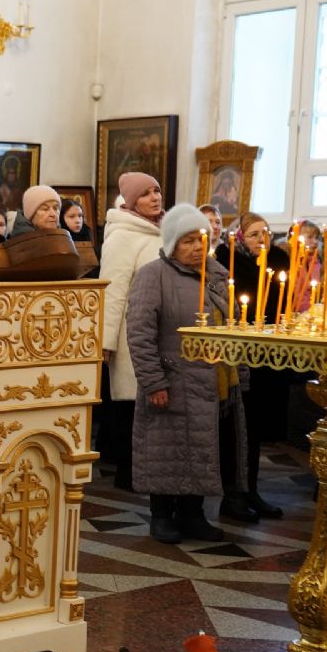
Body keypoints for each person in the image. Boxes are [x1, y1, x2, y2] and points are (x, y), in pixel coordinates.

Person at [126, 204, 235, 544]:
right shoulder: (153, 275)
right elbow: (140, 334)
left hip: (209, 380)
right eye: (188, 241)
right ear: (172, 243)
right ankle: (161, 515)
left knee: (201, 447)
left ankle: (192, 514)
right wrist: (154, 382)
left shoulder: (216, 275)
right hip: (171, 380)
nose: (198, 247)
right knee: (164, 449)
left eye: (201, 239)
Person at [213, 212, 286, 522]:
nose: (261, 240)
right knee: (237, 429)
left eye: (265, 233)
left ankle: (251, 489)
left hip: (265, 355)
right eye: (254, 234)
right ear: (240, 237)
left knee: (255, 430)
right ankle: (233, 493)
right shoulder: (227, 261)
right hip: (238, 354)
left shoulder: (276, 263)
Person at [98, 171, 166, 491]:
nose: (155, 198)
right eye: (146, 193)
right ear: (131, 201)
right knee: (131, 405)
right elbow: (113, 291)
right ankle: (129, 473)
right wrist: (106, 340)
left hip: (162, 332)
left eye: (157, 191)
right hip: (132, 333)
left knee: (155, 405)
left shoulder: (163, 230)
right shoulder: (122, 235)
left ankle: (150, 471)